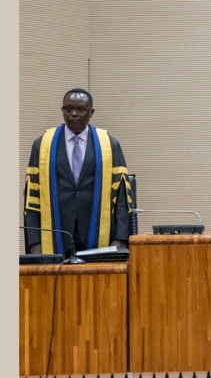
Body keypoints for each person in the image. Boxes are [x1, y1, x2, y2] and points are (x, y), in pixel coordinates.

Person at [23, 89, 132, 255]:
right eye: (68, 109)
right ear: (62, 111)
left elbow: (122, 197)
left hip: (99, 235)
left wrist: (120, 238)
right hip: (55, 234)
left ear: (91, 112)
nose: (74, 114)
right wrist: (35, 242)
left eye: (81, 109)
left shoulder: (109, 145)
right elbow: (32, 197)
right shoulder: (43, 144)